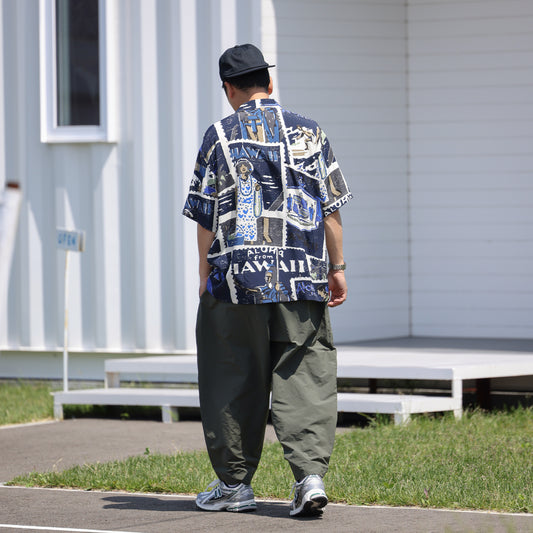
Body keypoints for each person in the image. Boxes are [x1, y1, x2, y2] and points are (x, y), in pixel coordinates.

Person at [182, 43, 352, 517]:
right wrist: (337, 268)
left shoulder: (218, 136)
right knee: (306, 375)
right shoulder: (311, 132)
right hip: (302, 277)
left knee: (230, 375)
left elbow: (205, 214)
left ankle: (234, 485)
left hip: (236, 282)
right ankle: (309, 479)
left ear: (228, 89)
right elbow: (331, 209)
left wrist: (204, 272)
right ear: (269, 83)